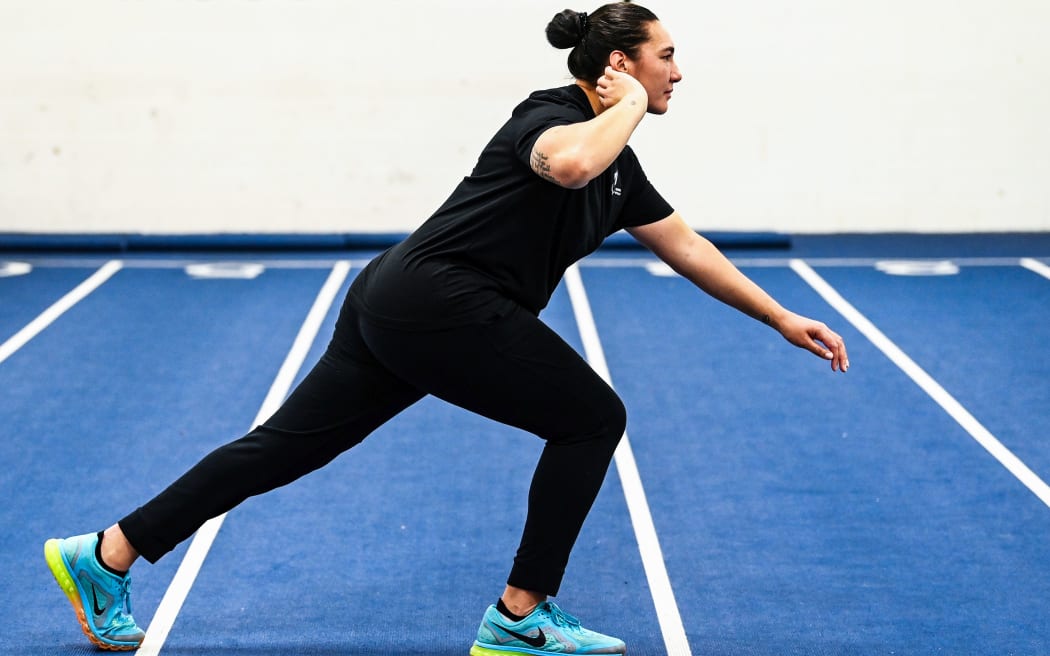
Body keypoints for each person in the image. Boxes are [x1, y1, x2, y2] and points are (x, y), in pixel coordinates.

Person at [44, 3, 849, 654]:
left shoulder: (620, 168)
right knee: (593, 417)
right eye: (664, 55)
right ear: (618, 67)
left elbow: (688, 247)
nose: (678, 70)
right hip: (440, 302)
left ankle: (108, 552)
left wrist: (778, 316)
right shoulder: (550, 117)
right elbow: (567, 164)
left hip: (404, 303)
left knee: (286, 446)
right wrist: (629, 105)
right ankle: (520, 615)